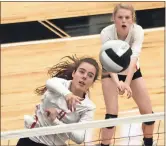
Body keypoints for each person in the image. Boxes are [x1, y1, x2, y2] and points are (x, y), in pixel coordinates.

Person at [99, 3, 155, 146]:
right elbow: (108, 62)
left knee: (149, 115)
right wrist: (118, 83)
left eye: (127, 17)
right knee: (111, 116)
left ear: (132, 19)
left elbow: (133, 58)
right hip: (110, 72)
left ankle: (148, 143)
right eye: (120, 17)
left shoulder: (138, 31)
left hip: (132, 70)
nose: (123, 20)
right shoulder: (106, 33)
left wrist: (127, 83)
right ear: (113, 18)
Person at [16, 55, 100, 146]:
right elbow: (49, 82)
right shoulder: (59, 84)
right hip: (32, 139)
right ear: (73, 73)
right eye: (81, 72)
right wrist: (67, 94)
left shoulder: (88, 107)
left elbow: (79, 138)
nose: (84, 77)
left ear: (92, 82)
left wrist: (55, 121)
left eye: (90, 76)